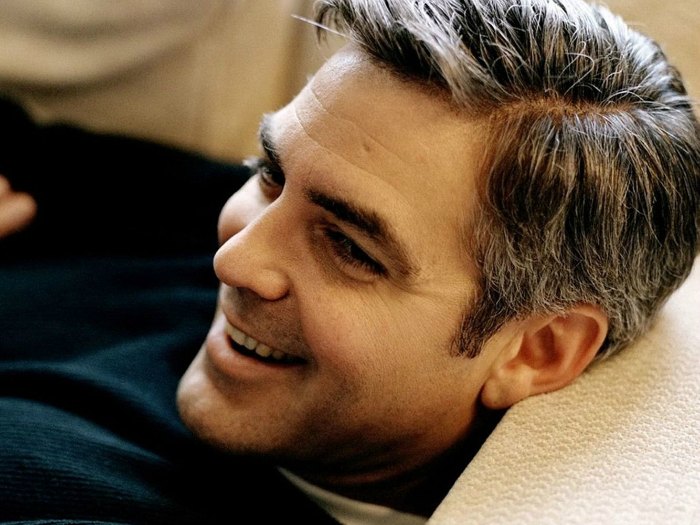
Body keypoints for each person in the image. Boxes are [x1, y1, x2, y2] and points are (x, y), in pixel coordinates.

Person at [1, 1, 698, 524]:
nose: (234, 259)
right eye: (268, 171)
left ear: (539, 350)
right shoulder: (309, 185)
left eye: (348, 247)